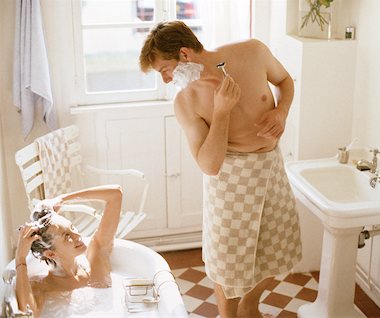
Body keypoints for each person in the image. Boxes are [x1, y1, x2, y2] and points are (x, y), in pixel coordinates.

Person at [140, 21, 302, 318]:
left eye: (165, 69)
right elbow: (209, 165)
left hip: (271, 169)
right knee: (228, 262)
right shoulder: (185, 101)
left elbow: (286, 81)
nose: (165, 79)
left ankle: (251, 305)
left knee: (275, 247)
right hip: (230, 183)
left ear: (185, 55)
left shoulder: (253, 52)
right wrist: (222, 111)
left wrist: (281, 112)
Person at [14, 185, 122, 317]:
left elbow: (115, 194)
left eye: (72, 227)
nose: (77, 235)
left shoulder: (96, 256)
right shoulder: (42, 287)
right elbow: (26, 315)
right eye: (67, 236)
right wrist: (20, 259)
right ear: (51, 253)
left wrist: (62, 199)